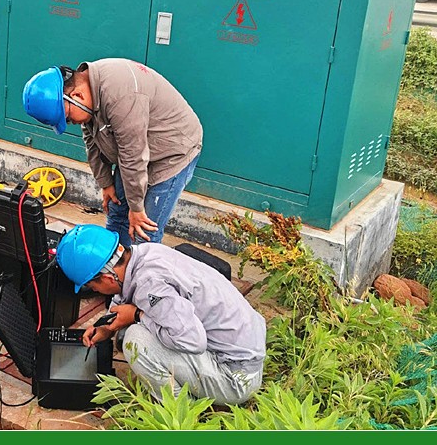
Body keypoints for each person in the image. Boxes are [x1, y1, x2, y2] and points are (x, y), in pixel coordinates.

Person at [56, 223, 266, 406]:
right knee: (127, 332)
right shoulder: (143, 253)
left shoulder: (150, 283)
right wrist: (107, 326)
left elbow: (192, 341)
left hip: (235, 378)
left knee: (135, 341)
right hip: (243, 349)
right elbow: (125, 289)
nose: (95, 291)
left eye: (93, 287)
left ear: (107, 278)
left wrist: (137, 315)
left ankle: (181, 411)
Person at [22, 59, 202, 247]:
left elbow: (132, 155)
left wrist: (136, 207)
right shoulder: (89, 92)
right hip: (136, 149)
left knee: (144, 232)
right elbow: (92, 141)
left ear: (76, 95)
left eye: (67, 118)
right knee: (117, 215)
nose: (70, 123)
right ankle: (114, 264)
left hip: (172, 151)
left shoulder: (121, 96)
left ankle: (139, 266)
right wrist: (106, 183)